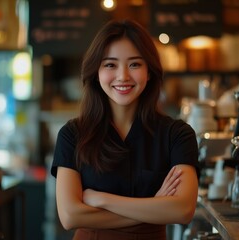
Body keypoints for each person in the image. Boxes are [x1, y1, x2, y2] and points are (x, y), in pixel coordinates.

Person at [51, 19, 199, 240]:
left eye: (135, 64)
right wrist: (154, 207)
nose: (123, 76)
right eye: (110, 65)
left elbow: (183, 210)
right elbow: (70, 216)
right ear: (96, 72)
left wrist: (102, 199)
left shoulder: (177, 134)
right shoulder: (73, 134)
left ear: (149, 71)